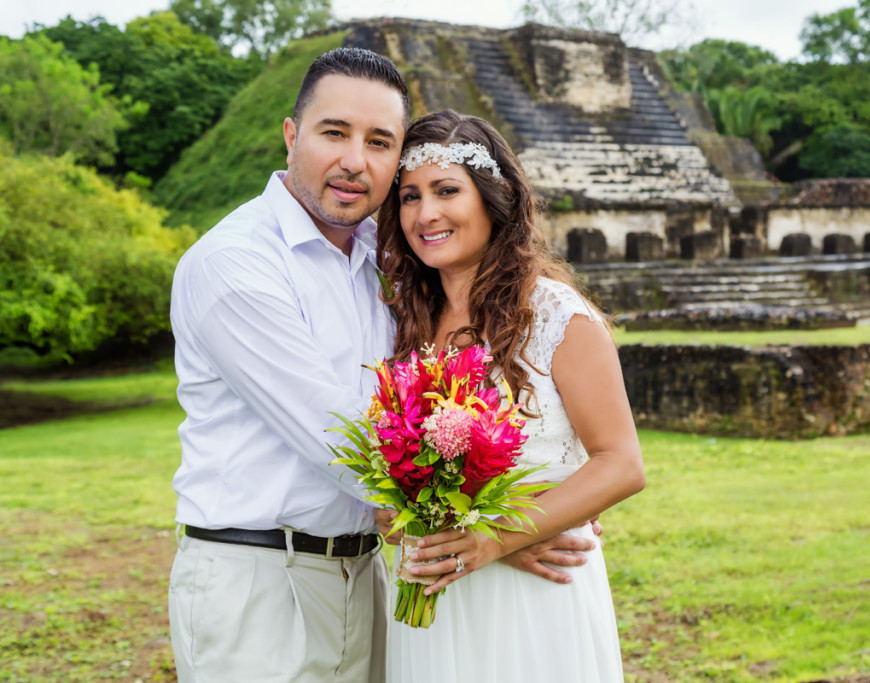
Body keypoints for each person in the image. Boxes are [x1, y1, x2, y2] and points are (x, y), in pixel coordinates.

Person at [167, 48, 601, 683]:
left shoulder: (393, 262)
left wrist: (510, 519)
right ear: (291, 135)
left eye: (379, 142)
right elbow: (341, 439)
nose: (354, 161)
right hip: (260, 579)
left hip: (375, 572)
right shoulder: (235, 265)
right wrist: (502, 533)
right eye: (333, 133)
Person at [375, 109, 646, 683]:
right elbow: (386, 481)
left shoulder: (555, 316)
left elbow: (621, 464)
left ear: (492, 198)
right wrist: (405, 521)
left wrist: (496, 540)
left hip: (533, 600)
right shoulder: (402, 323)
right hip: (432, 595)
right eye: (409, 196)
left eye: (447, 191)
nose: (426, 214)